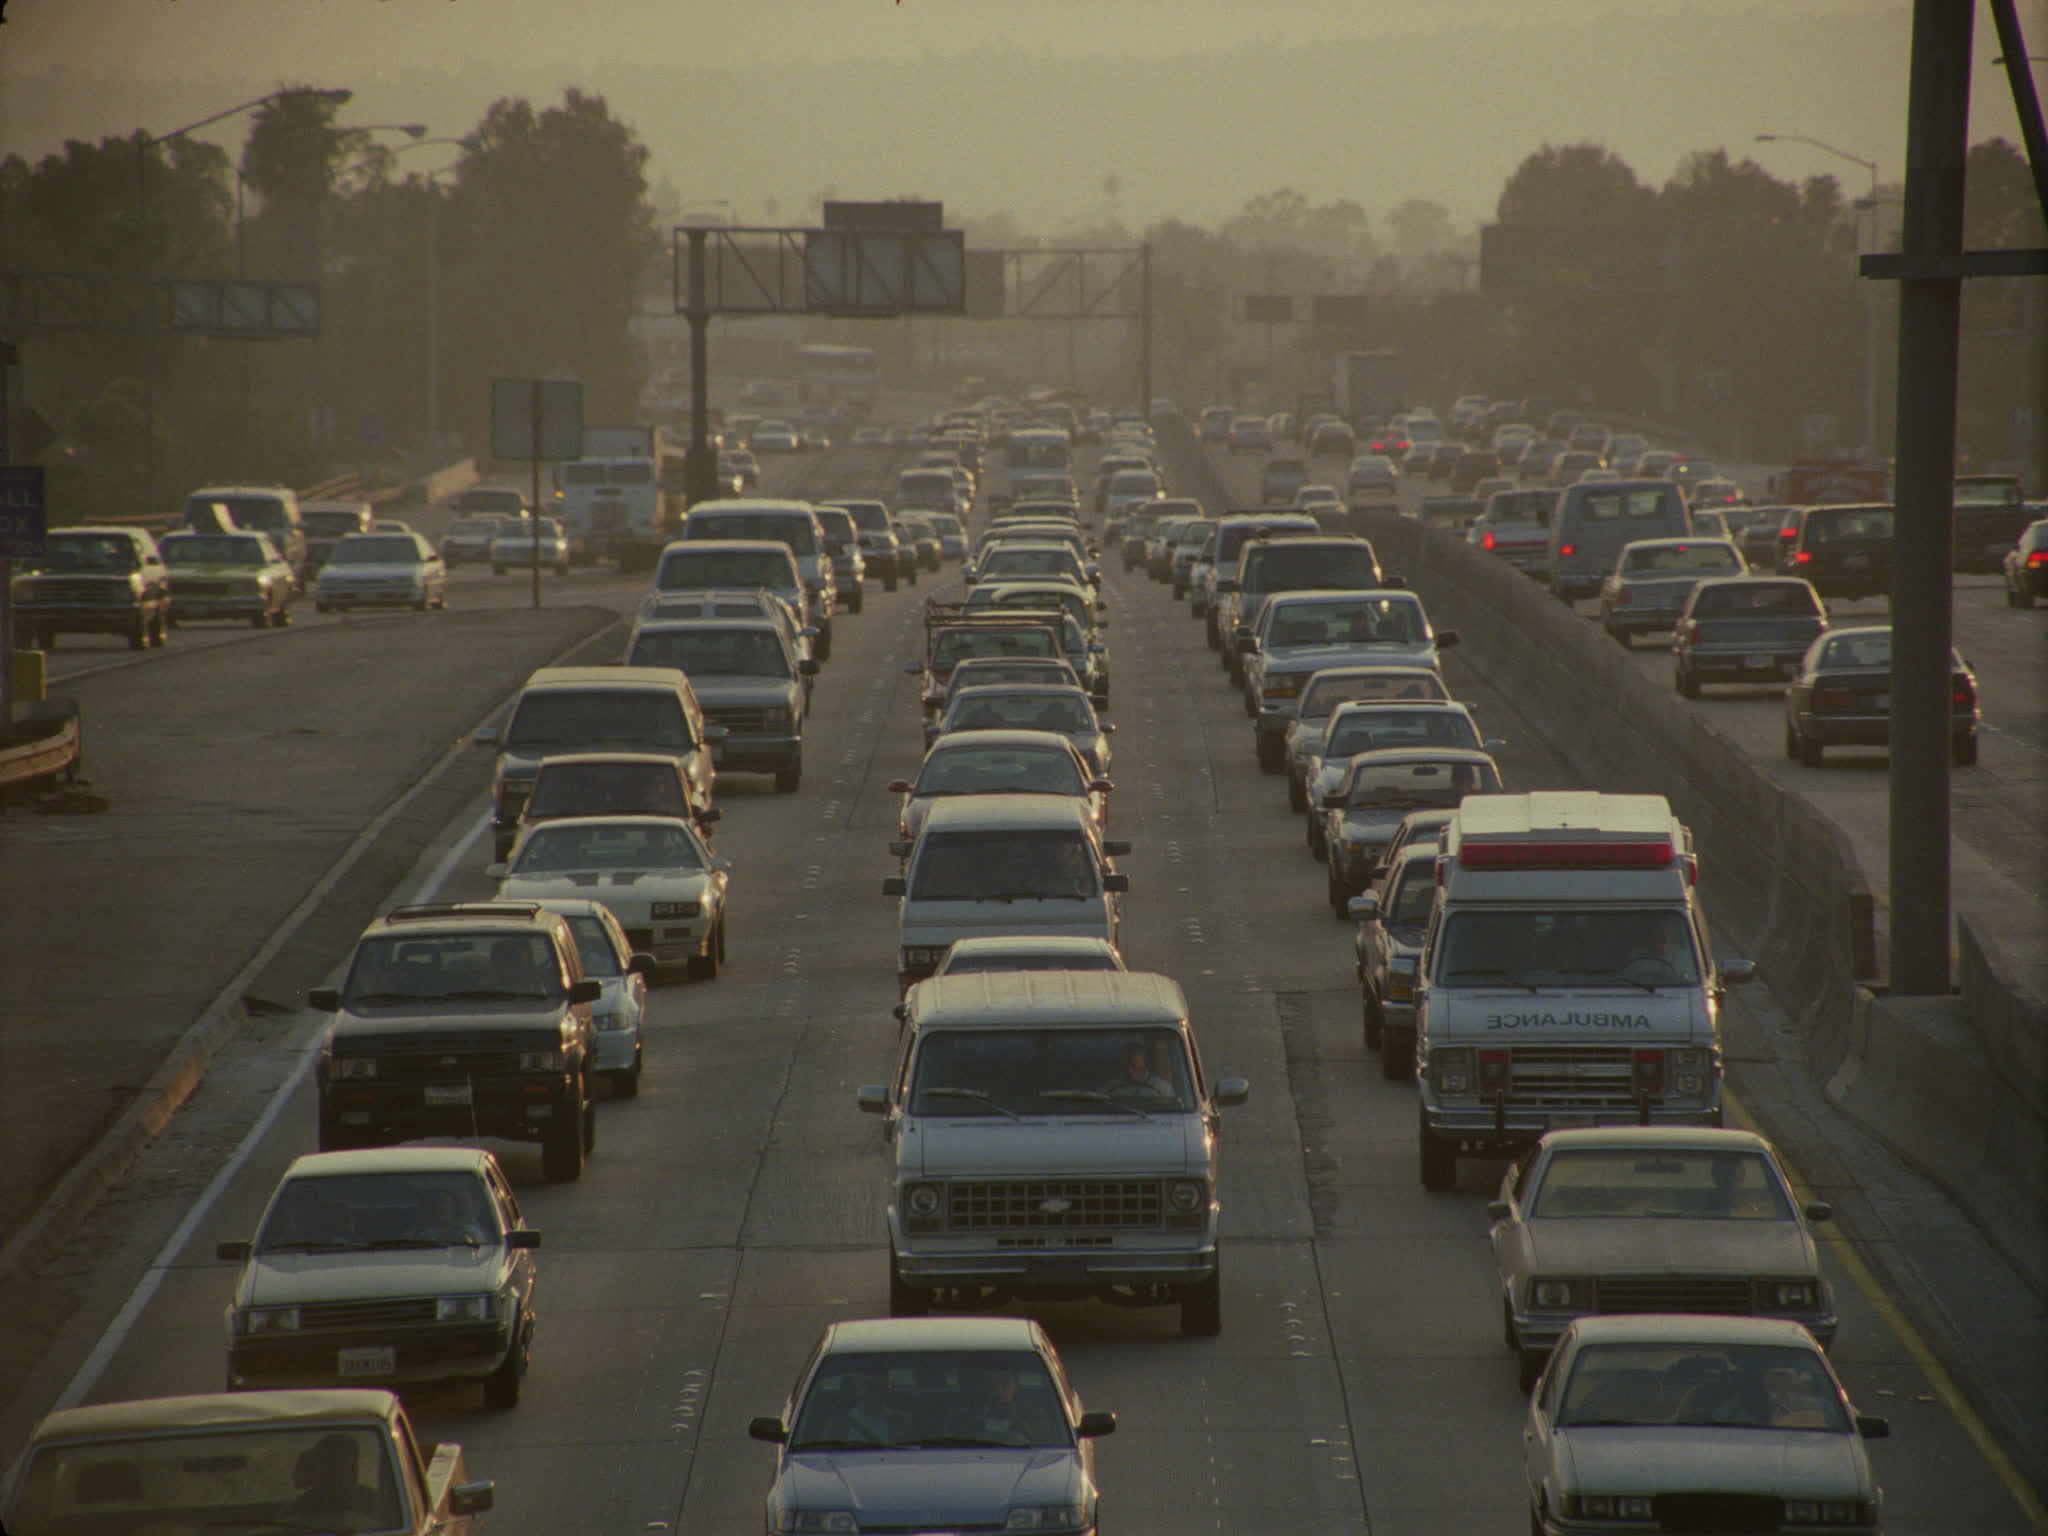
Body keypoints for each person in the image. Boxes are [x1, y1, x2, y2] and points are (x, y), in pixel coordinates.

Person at [287, 1432, 394, 1533]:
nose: (346, 1469)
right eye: (336, 1462)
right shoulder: (300, 1509)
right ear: (321, 1467)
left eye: (351, 1462)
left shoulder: (373, 1503)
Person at [822, 1359, 917, 1446]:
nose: (872, 1393)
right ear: (858, 1387)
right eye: (868, 1386)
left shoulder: (900, 1423)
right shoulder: (838, 1425)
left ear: (887, 1386)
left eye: (877, 1385)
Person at [404, 1186, 489, 1246]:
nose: (439, 1206)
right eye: (434, 1201)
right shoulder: (415, 1235)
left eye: (443, 1201)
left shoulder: (472, 1233)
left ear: (455, 1205)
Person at [1104, 1041, 1172, 1100]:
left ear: (1145, 1065)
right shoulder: (1111, 1086)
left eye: (1135, 1067)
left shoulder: (1162, 1088)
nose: (1130, 1071)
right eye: (1126, 1066)